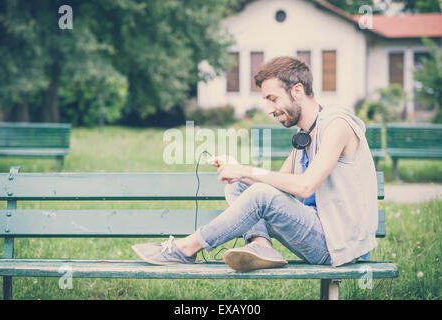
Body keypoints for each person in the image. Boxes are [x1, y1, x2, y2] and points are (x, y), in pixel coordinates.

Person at [131, 56, 378, 271]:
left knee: (258, 191)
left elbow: (304, 187)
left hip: (338, 245)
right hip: (318, 231)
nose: (269, 109)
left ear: (297, 91)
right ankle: (261, 245)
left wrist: (246, 170)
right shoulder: (305, 135)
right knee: (238, 187)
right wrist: (239, 172)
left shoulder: (337, 125)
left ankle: (186, 248)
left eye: (272, 99)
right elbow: (279, 188)